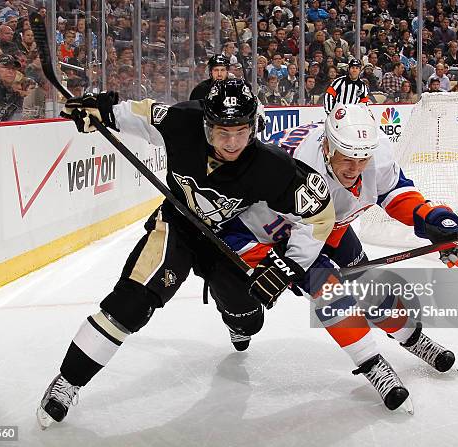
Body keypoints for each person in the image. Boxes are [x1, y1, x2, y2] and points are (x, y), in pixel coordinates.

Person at [36, 79, 335, 428]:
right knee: (131, 302)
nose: (233, 143)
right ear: (206, 124)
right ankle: (68, 381)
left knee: (248, 318)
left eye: (241, 131)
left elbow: (319, 214)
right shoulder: (181, 122)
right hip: (177, 226)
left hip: (230, 240)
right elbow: (139, 115)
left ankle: (235, 320)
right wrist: (101, 112)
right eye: (223, 132)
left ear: (255, 126)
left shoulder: (272, 167)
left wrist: (290, 264)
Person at [227, 103, 458, 410]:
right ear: (327, 145)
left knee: (368, 285)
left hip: (326, 222)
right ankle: (372, 364)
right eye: (347, 157)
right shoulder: (295, 169)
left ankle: (413, 339)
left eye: (362, 158)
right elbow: (284, 235)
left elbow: (395, 192)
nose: (355, 168)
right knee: (332, 295)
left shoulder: (375, 153)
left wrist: (432, 218)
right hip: (281, 231)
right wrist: (279, 266)